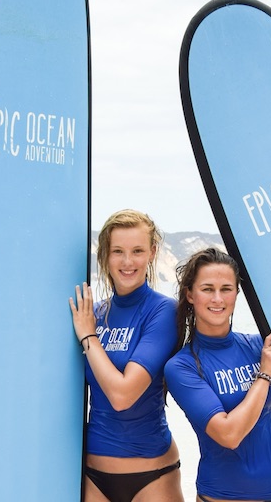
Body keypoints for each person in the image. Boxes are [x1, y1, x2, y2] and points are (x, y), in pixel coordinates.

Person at [164, 248, 271, 502]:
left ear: (237, 293)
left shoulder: (259, 346)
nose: (217, 298)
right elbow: (228, 434)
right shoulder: (182, 367)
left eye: (226, 288)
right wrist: (265, 374)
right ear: (190, 295)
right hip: (222, 495)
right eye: (207, 289)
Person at [69, 209, 184, 502]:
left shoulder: (163, 312)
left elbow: (123, 395)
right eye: (118, 251)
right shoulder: (93, 314)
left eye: (137, 251)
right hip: (92, 477)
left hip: (152, 477)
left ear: (152, 252)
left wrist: (88, 336)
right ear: (105, 254)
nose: (128, 261)